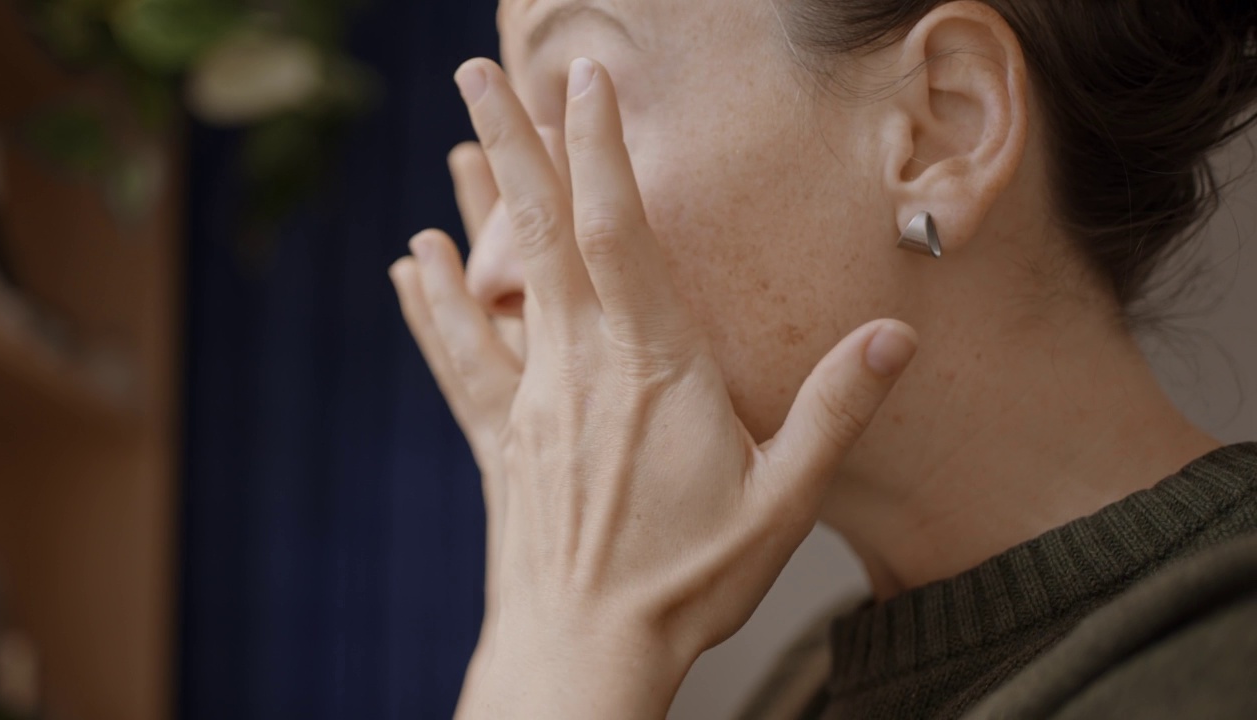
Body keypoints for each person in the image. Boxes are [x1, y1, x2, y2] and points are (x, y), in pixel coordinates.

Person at [388, 0, 1257, 717]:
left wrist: (557, 666)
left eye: (587, 107)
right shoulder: (811, 689)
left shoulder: (1216, 671)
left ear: (940, 132)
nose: (494, 267)